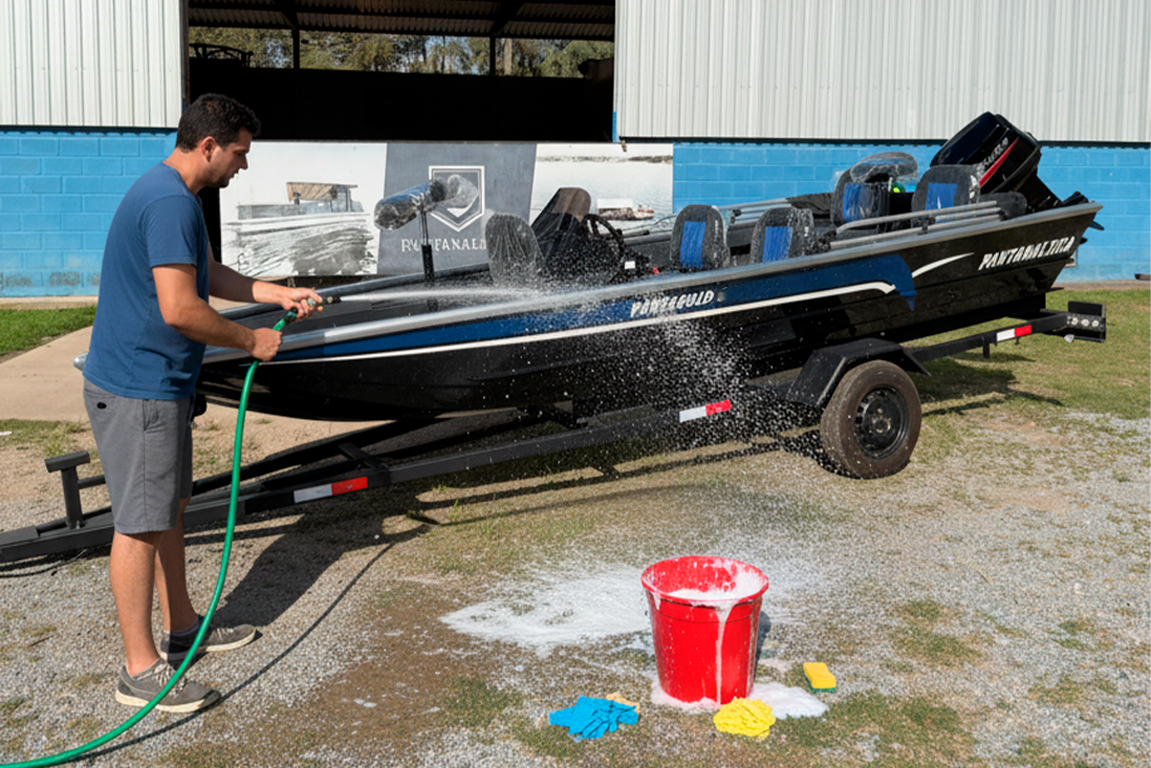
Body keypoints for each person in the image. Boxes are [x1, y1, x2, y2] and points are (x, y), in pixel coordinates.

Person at [82, 94, 322, 713]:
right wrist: (251, 340)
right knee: (140, 524)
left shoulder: (175, 196)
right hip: (138, 388)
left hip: (159, 385)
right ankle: (139, 670)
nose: (244, 164)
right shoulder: (168, 202)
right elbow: (180, 309)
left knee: (169, 509)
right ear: (209, 145)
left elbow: (206, 274)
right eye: (239, 152)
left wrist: (274, 293)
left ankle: (184, 628)